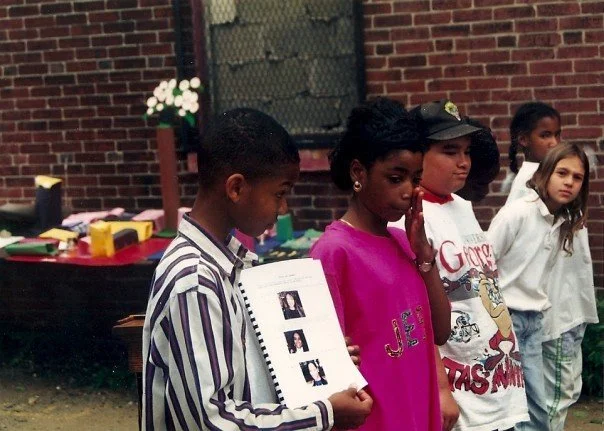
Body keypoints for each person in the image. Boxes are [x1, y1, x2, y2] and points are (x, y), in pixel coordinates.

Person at [142, 108, 373, 431]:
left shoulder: (239, 265)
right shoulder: (195, 279)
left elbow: (253, 369)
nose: (283, 209)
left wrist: (325, 358)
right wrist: (323, 414)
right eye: (280, 193)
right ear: (235, 188)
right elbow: (211, 421)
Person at [310, 98, 452, 431]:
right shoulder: (333, 253)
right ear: (358, 172)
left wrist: (425, 259)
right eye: (395, 178)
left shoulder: (404, 243)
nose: (408, 191)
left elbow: (441, 331)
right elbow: (327, 366)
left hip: (418, 413)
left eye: (414, 178)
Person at [392, 99, 529, 431]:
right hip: (458, 393)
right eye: (449, 151)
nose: (463, 161)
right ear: (415, 155)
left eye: (466, 151)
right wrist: (440, 389)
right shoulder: (407, 220)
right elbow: (415, 314)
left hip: (499, 383)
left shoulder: (462, 207)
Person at [487, 143, 590, 431]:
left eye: (577, 177)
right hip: (504, 318)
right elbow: (484, 264)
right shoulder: (518, 213)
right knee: (504, 406)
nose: (569, 182)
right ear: (545, 174)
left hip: (533, 320)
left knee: (535, 408)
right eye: (562, 173)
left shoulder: (563, 222)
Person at [504, 101, 561, 204]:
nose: (554, 143)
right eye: (545, 135)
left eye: (557, 135)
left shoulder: (547, 173)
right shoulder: (529, 181)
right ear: (523, 140)